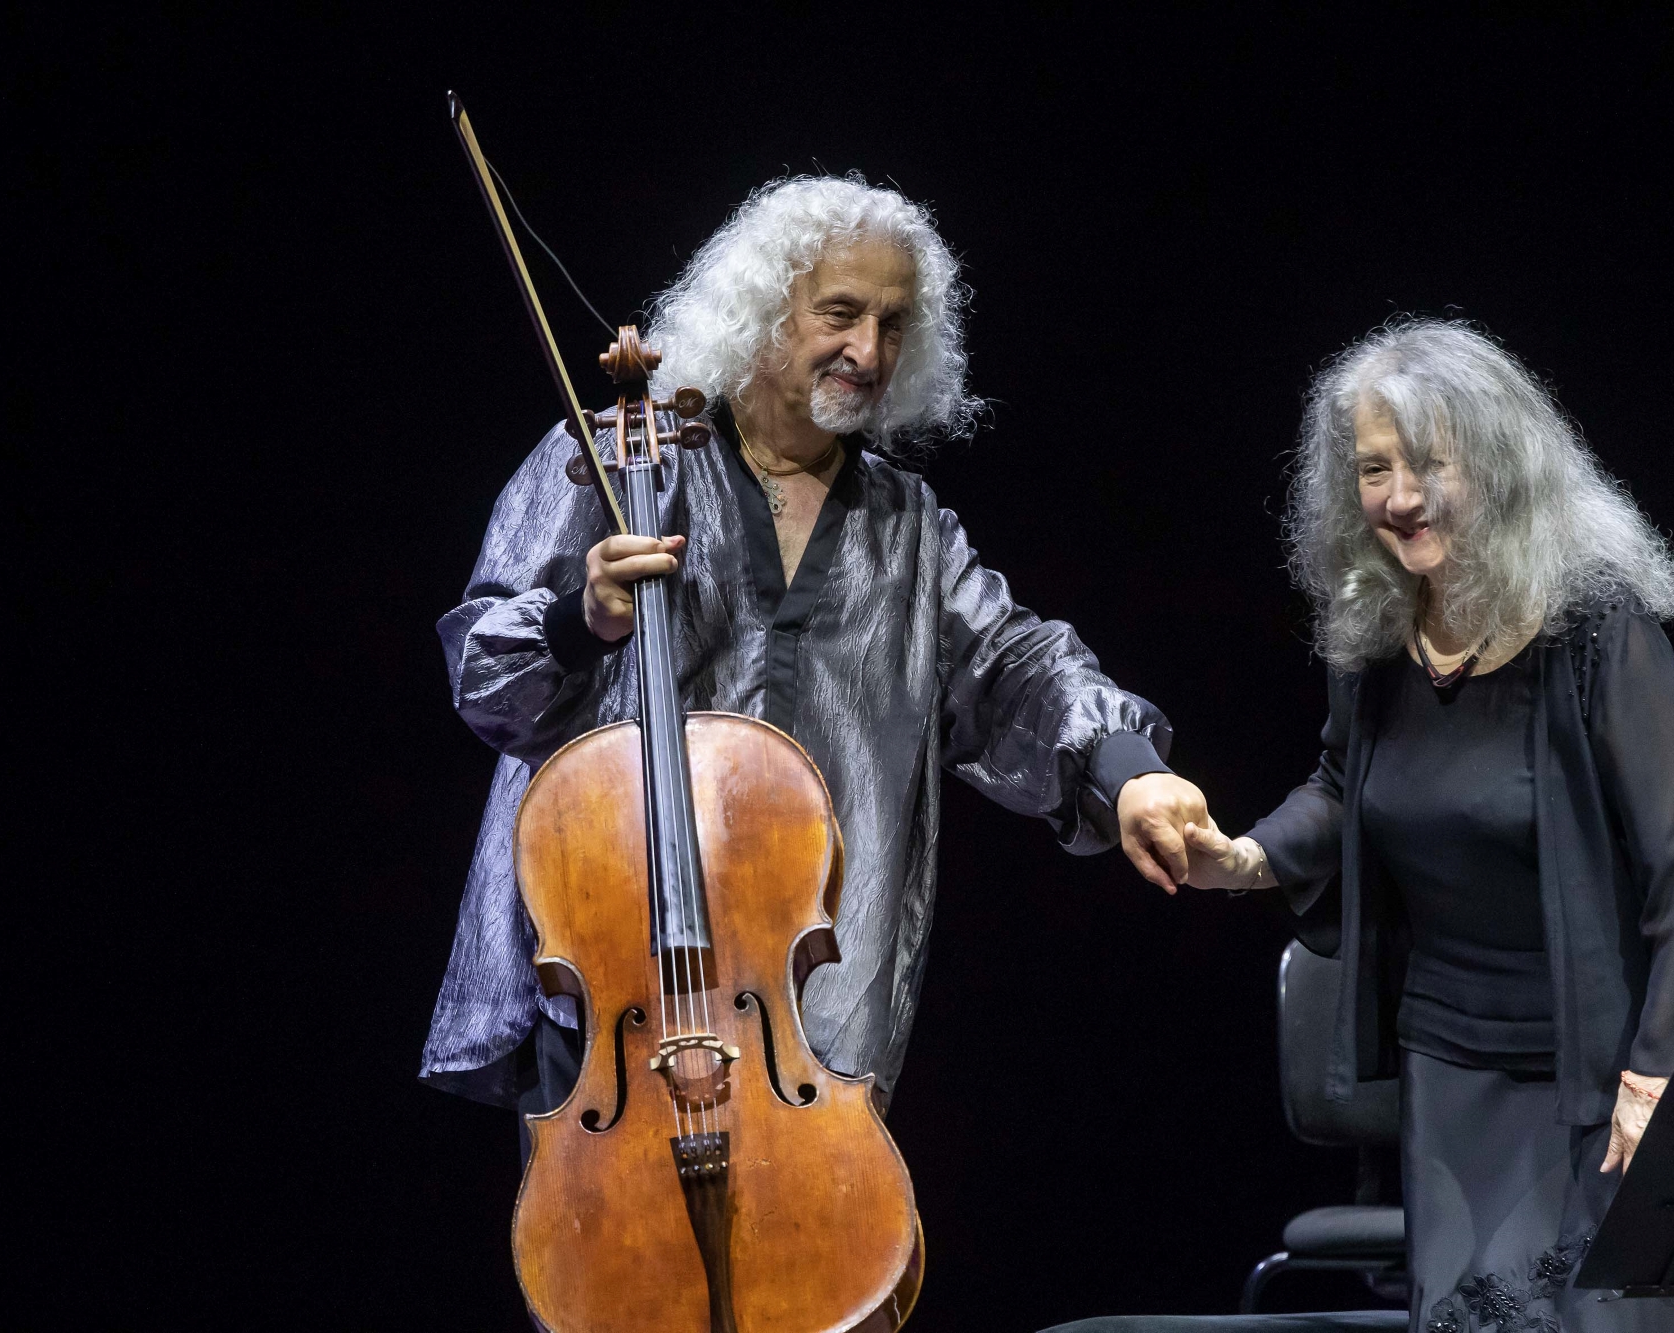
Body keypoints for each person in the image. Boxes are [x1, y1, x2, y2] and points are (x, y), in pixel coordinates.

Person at [421, 174, 1208, 1128]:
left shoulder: (907, 527)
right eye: (840, 312)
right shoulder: (617, 461)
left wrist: (1128, 771)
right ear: (766, 306)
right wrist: (577, 617)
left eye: (893, 323)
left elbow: (1016, 665)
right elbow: (482, 670)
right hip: (614, 985)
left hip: (808, 1007)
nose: (867, 350)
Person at [1181, 319, 1674, 1332]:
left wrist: (1665, 1071)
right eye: (1371, 468)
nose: (1397, 497)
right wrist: (1246, 856)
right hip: (1451, 1072)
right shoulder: (1376, 628)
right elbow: (1341, 784)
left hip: (1604, 1071)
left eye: (1425, 463)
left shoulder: (1594, 627)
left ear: (1492, 463)